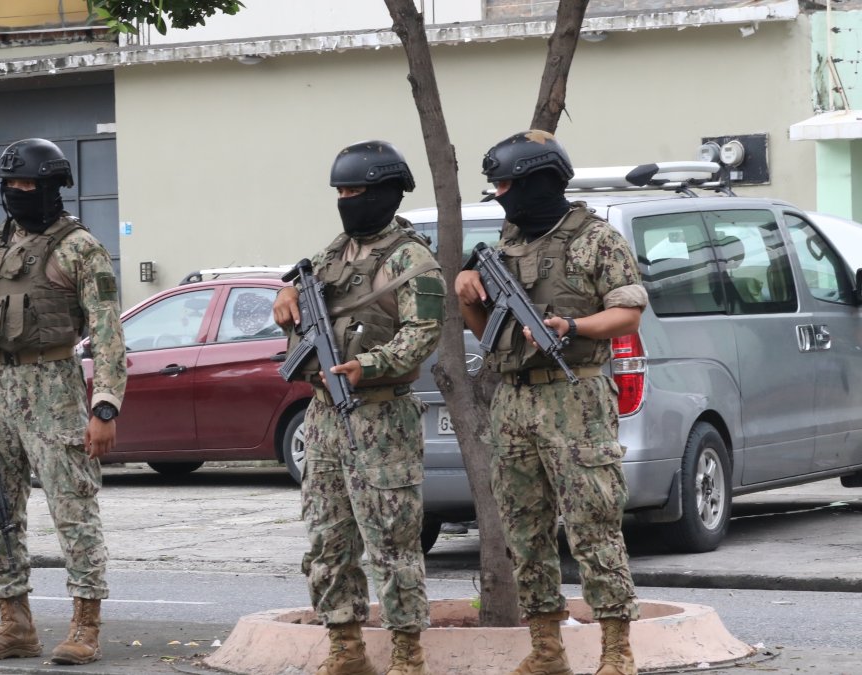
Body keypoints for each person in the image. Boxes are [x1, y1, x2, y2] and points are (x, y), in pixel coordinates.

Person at [454, 130, 646, 675]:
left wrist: (572, 326)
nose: (503, 196)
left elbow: (628, 313)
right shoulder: (506, 244)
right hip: (512, 402)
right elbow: (485, 335)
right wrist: (466, 291)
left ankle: (616, 650)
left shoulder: (596, 239)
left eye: (509, 185)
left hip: (575, 393)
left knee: (593, 524)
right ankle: (545, 648)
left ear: (541, 180)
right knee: (523, 529)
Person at [0, 138, 127, 665]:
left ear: (51, 188)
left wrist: (105, 405)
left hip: (53, 386)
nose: (17, 194)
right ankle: (14, 625)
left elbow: (109, 334)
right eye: (10, 185)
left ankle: (85, 627)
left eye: (27, 185)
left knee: (73, 510)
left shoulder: (80, 248)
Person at [272, 140, 444, 675]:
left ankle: (407, 654)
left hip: (379, 416)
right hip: (324, 418)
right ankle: (345, 646)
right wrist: (286, 299)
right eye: (340, 191)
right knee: (328, 538)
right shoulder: (332, 254)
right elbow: (307, 303)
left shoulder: (410, 258)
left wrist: (367, 367)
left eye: (357, 191)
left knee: (392, 542)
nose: (347, 201)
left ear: (387, 194)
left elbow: (424, 334)